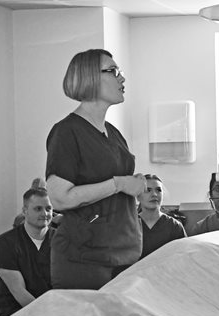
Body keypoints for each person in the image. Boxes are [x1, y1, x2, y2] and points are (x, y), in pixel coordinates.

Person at [45, 49, 146, 289]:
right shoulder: (67, 132)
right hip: (84, 259)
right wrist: (119, 184)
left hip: (124, 254)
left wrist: (135, 185)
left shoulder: (114, 133)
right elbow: (59, 198)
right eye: (113, 71)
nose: (122, 78)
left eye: (120, 72)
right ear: (89, 77)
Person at [0, 188, 55, 316]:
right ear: (25, 211)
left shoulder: (61, 240)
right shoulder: (4, 244)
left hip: (56, 315)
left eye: (48, 208)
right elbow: (19, 292)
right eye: (38, 209)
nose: (45, 213)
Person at [138, 175, 186, 259]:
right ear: (138, 196)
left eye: (158, 190)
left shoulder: (174, 226)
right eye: (148, 190)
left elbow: (183, 257)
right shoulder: (129, 225)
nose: (154, 194)